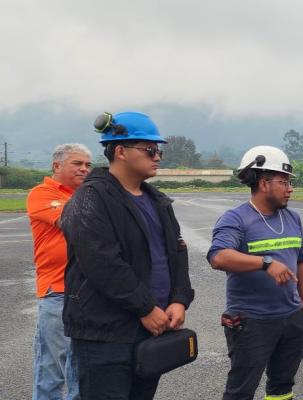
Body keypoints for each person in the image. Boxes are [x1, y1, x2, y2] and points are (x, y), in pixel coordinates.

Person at [60, 112, 194, 400]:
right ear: (120, 151)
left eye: (158, 150)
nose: (157, 156)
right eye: (150, 150)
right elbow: (102, 262)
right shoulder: (90, 198)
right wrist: (146, 308)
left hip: (152, 328)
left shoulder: (157, 200)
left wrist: (179, 299)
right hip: (106, 334)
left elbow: (177, 253)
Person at [207, 145, 303, 400]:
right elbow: (218, 256)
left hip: (291, 318)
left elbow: (302, 261)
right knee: (241, 389)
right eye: (283, 181)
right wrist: (265, 263)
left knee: (282, 386)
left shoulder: (293, 218)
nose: (290, 188)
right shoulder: (236, 219)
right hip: (251, 322)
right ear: (263, 183)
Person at [26, 143, 91, 400]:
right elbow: (79, 220)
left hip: (84, 291)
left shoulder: (85, 195)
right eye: (77, 164)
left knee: (64, 365)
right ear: (57, 166)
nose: (84, 169)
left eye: (88, 164)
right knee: (63, 367)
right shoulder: (41, 194)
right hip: (58, 292)